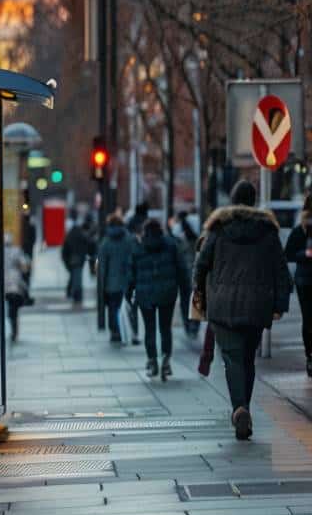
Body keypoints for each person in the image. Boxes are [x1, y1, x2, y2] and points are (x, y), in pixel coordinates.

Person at [193, 179, 292, 441]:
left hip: (222, 306)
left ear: (233, 200)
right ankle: (243, 411)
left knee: (232, 359)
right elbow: (281, 271)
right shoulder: (267, 231)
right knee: (247, 358)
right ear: (254, 200)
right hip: (257, 306)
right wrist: (280, 305)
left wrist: (200, 294)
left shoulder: (218, 229)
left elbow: (201, 264)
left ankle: (240, 409)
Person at [128, 218, 187, 380]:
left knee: (149, 328)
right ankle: (166, 360)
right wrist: (185, 290)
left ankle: (152, 361)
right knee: (165, 328)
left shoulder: (138, 247)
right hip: (167, 293)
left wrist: (128, 293)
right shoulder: (170, 245)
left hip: (144, 293)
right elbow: (181, 269)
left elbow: (131, 273)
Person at [282, 196, 312, 377]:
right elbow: (290, 254)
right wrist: (307, 253)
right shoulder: (301, 230)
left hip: (304, 280)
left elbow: (289, 254)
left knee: (308, 319)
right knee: (308, 319)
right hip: (306, 280)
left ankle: (309, 355)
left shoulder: (300, 229)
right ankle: (310, 355)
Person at [97, 213, 139, 343]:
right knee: (130, 307)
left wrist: (102, 285)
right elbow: (135, 260)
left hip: (111, 284)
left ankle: (115, 332)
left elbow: (102, 267)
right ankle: (132, 332)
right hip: (127, 281)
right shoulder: (130, 240)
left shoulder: (105, 243)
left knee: (113, 308)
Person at [61, 214, 96, 306]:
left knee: (74, 276)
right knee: (77, 278)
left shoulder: (71, 234)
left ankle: (72, 294)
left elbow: (65, 249)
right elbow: (89, 246)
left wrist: (66, 261)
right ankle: (77, 296)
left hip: (72, 259)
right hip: (77, 259)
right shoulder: (81, 235)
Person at [5, 238, 31, 342]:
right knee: (14, 309)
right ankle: (14, 330)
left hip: (4, 284)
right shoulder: (17, 251)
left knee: (10, 308)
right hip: (15, 284)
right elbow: (25, 266)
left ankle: (12, 329)